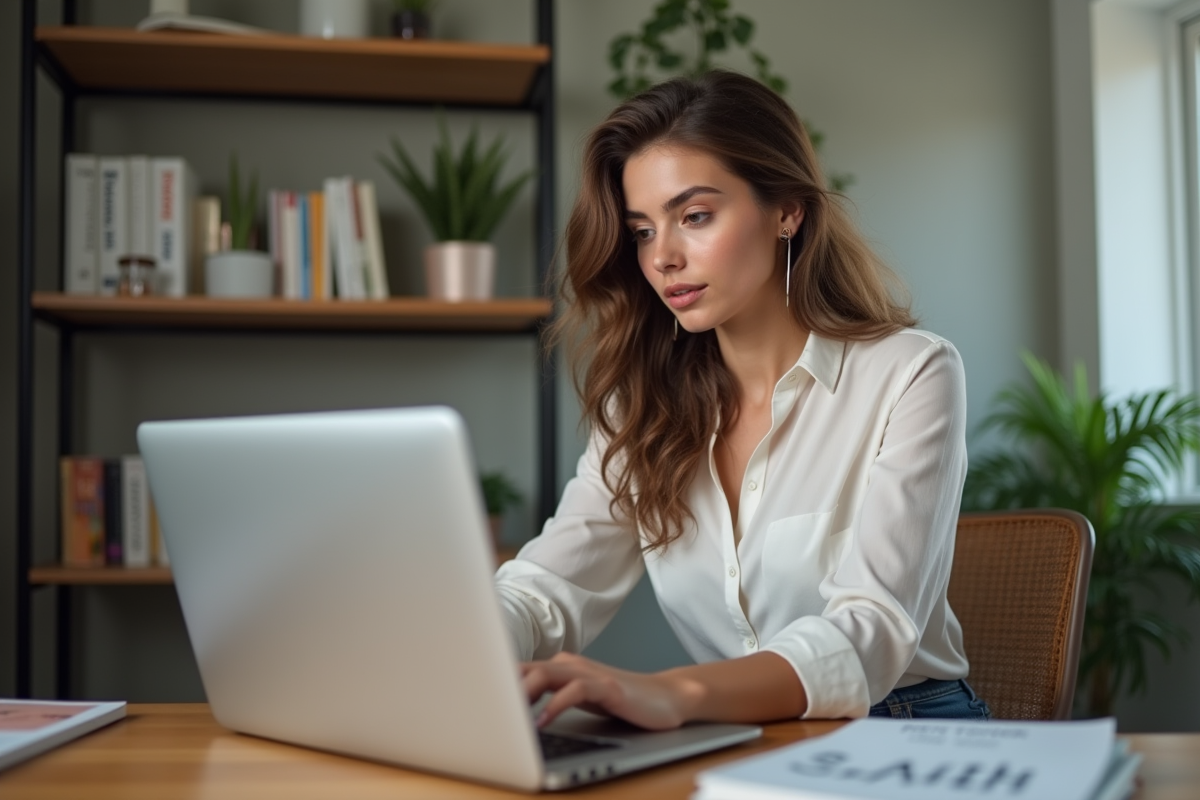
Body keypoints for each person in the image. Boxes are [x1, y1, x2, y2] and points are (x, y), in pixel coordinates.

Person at [495, 70, 989, 730]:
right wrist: (455, 647)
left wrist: (677, 693)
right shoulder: (639, 410)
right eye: (642, 230)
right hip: (743, 738)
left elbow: (871, 630)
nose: (662, 257)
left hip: (905, 728)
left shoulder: (911, 373)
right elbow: (547, 590)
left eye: (694, 217)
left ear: (787, 210)